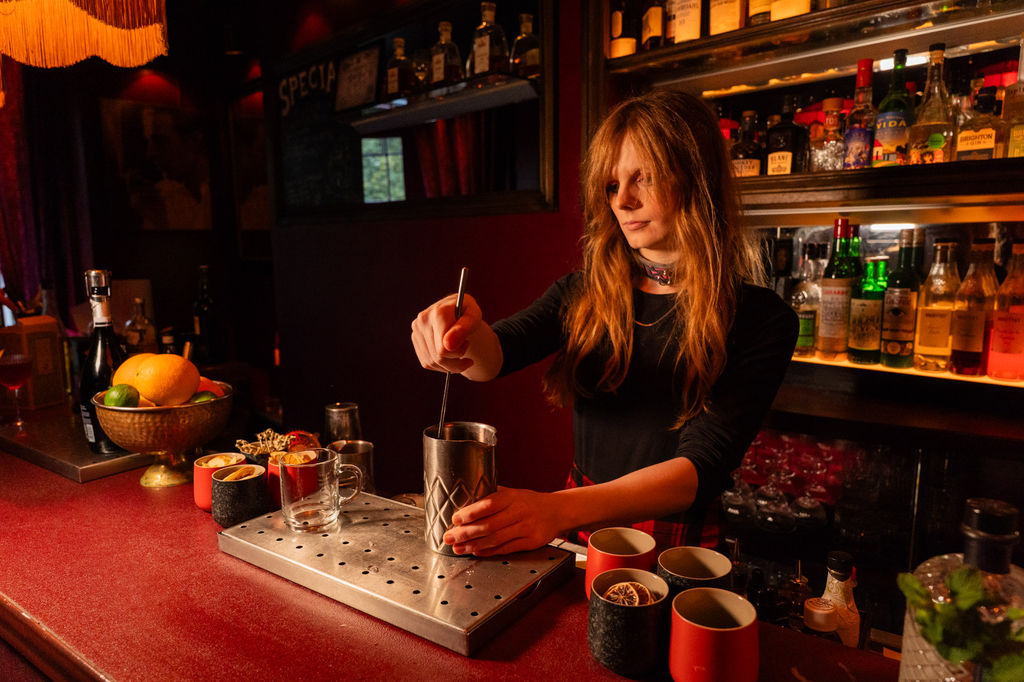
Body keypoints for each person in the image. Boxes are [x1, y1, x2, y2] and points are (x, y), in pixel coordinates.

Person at [410, 90, 797, 557]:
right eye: (612, 184)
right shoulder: (587, 290)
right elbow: (498, 353)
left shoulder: (759, 317)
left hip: (673, 542)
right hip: (580, 522)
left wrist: (556, 509)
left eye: (644, 178)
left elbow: (702, 464)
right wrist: (462, 336)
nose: (624, 201)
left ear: (696, 177)